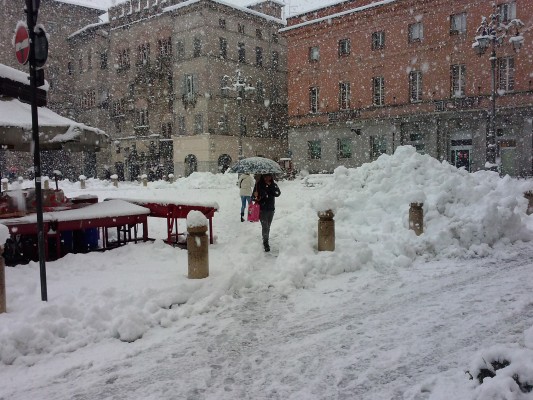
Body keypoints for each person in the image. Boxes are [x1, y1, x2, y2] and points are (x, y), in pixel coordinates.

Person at [253, 174, 281, 252]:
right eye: (265, 176)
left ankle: (266, 237)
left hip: (271, 209)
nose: (267, 178)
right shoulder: (258, 185)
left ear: (271, 177)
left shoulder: (273, 184)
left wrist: (271, 188)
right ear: (263, 177)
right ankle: (266, 242)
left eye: (269, 176)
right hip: (262, 209)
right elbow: (253, 197)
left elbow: (278, 193)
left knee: (268, 226)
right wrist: (256, 195)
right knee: (265, 226)